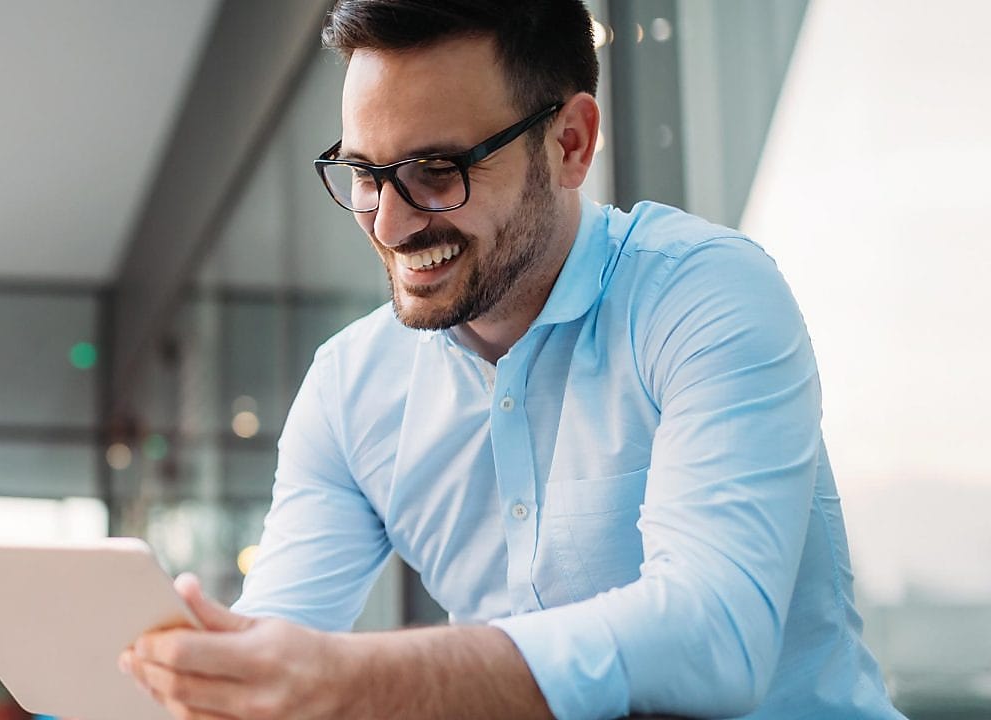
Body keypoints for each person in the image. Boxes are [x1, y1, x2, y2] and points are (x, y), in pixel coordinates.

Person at [118, 1, 904, 718]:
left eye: (437, 171)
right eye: (365, 175)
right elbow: (273, 654)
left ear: (570, 144)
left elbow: (714, 636)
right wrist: (210, 678)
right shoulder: (349, 388)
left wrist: (355, 678)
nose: (389, 225)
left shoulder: (702, 293)